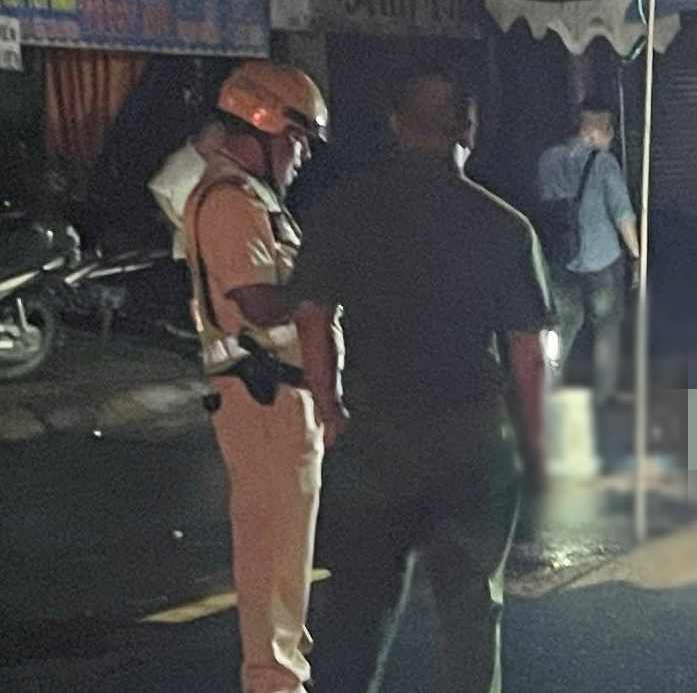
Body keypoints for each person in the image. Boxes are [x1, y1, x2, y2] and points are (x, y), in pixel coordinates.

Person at [296, 63, 550, 693]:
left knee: (357, 609)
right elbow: (527, 353)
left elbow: (311, 315)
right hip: (473, 443)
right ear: (469, 126)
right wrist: (535, 442)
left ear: (394, 124)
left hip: (376, 438)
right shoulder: (503, 225)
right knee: (468, 613)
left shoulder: (343, 209)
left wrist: (328, 407)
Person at [183, 61, 328, 693]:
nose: (299, 157)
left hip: (276, 397)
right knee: (273, 553)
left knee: (286, 554)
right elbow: (259, 301)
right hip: (263, 395)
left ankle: (282, 673)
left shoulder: (253, 199)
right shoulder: (232, 203)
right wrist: (328, 282)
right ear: (263, 127)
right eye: (296, 140)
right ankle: (274, 682)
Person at [536, 98, 639, 402]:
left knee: (561, 327)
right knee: (606, 327)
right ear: (601, 131)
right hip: (600, 260)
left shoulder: (548, 159)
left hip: (560, 258)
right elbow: (622, 214)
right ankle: (606, 392)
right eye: (610, 133)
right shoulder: (605, 163)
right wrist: (635, 255)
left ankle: (545, 390)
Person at [151, 118, 227, 260]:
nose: (220, 139)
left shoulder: (220, 162)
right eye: (215, 133)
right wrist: (177, 222)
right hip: (187, 231)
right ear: (203, 134)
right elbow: (158, 188)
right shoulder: (180, 160)